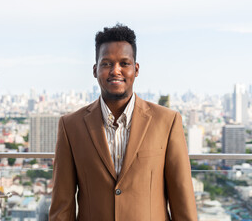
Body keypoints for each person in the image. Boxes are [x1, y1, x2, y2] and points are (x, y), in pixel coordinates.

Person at [49, 24, 197, 221]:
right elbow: (62, 206)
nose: (115, 71)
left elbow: (182, 201)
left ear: (136, 69)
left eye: (124, 63)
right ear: (95, 70)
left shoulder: (167, 122)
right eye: (107, 64)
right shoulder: (70, 126)